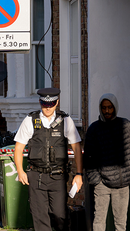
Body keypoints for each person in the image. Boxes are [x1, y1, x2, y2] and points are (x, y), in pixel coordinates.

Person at [83, 93, 130, 231]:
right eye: (104, 108)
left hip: (122, 183)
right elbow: (89, 157)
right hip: (102, 184)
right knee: (99, 222)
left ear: (115, 108)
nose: (107, 111)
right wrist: (96, 180)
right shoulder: (94, 129)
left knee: (121, 224)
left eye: (110, 107)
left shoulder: (125, 125)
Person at [14, 88, 83, 231]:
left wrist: (79, 174)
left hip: (58, 176)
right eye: (44, 104)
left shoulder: (65, 120)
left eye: (51, 104)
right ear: (40, 102)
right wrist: (20, 171)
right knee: (39, 216)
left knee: (60, 215)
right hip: (36, 175)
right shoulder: (30, 120)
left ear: (57, 102)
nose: (47, 107)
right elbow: (19, 148)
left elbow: (76, 148)